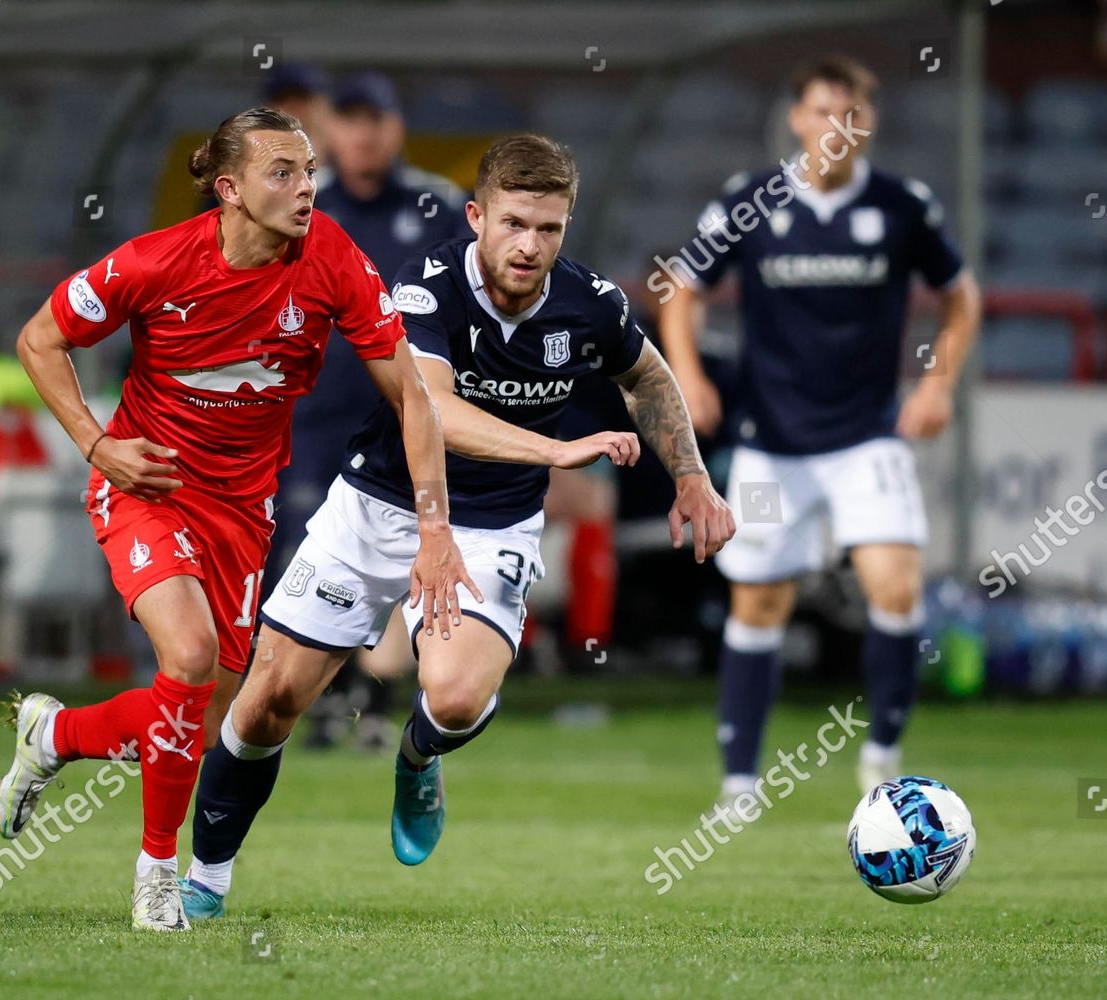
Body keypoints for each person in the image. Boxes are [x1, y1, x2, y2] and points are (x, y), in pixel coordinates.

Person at [173, 134, 735, 919]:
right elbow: (429, 409)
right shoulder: (427, 286)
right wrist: (555, 448)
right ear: (477, 216)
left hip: (492, 522)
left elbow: (645, 373)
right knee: (269, 701)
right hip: (378, 504)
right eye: (513, 224)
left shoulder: (590, 303)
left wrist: (693, 476)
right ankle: (205, 876)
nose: (530, 246)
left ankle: (418, 757)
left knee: (458, 696)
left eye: (549, 229)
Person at [0, 107, 477, 932]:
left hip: (242, 510)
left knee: (207, 719)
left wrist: (436, 526)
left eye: (309, 170)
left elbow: (414, 397)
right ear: (229, 189)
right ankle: (155, 878)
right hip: (149, 488)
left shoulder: (330, 257)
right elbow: (40, 339)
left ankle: (57, 734)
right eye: (282, 172)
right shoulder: (153, 262)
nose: (305, 188)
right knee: (187, 658)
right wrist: (97, 444)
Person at [656, 56, 982, 810]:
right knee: (759, 602)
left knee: (894, 589)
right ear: (796, 119)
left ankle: (882, 757)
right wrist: (687, 375)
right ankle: (739, 783)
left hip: (867, 439)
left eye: (850, 113)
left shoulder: (905, 206)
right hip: (772, 448)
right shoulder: (752, 201)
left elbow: (960, 297)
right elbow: (682, 288)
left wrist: (937, 382)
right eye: (821, 112)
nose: (835, 128)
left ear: (865, 124)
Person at [285, 71, 472, 747]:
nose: (363, 134)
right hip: (310, 418)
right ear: (329, 129)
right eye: (351, 119)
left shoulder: (439, 204)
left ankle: (376, 703)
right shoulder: (301, 203)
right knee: (310, 558)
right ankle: (324, 698)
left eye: (377, 119)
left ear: (397, 128)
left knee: (394, 555)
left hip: (406, 418)